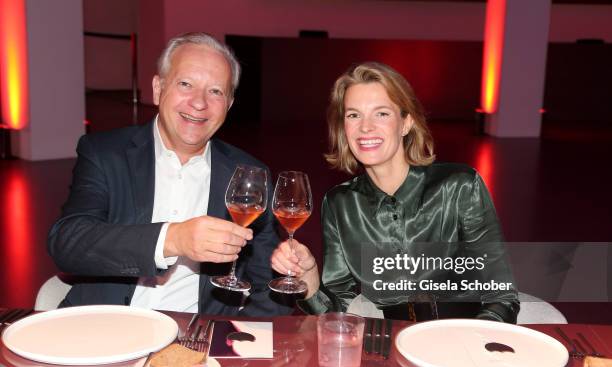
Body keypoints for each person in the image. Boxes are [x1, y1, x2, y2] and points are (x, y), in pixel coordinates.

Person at [47, 32, 290, 317]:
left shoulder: (248, 173)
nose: (199, 103)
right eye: (185, 84)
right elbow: (67, 243)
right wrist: (172, 239)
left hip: (197, 340)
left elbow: (266, 286)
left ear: (229, 104)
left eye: (215, 91)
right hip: (104, 327)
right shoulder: (105, 153)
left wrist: (237, 340)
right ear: (158, 88)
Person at [271, 62, 519, 322]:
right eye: (353, 115)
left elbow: (501, 294)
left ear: (406, 123)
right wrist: (309, 278)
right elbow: (339, 313)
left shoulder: (459, 186)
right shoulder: (339, 204)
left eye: (381, 114)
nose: (365, 127)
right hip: (388, 342)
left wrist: (475, 341)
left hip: (461, 335)